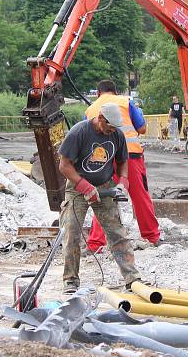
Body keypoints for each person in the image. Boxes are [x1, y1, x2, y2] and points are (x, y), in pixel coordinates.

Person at [58, 102, 143, 294]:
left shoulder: (116, 135)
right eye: (110, 126)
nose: (112, 130)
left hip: (105, 185)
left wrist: (122, 181)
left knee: (117, 233)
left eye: (115, 127)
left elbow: (122, 161)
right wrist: (84, 186)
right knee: (72, 231)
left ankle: (132, 278)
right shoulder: (79, 132)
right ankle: (70, 281)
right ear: (101, 119)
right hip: (77, 186)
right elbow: (64, 165)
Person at [85, 80, 160, 252]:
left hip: (103, 158)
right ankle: (151, 236)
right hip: (130, 155)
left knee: (102, 197)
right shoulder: (125, 102)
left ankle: (95, 243)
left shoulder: (90, 109)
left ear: (98, 93)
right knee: (139, 196)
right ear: (115, 91)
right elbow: (141, 128)